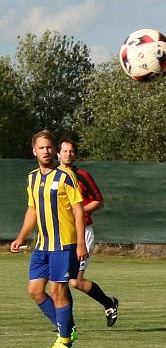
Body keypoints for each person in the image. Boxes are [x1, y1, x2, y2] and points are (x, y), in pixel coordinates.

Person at [10, 130, 87, 348]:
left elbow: (78, 210)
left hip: (64, 244)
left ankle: (65, 342)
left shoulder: (65, 176)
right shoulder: (32, 177)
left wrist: (81, 242)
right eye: (41, 148)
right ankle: (66, 328)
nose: (46, 151)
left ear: (54, 150)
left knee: (58, 291)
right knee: (35, 290)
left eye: (49, 147)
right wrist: (21, 237)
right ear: (34, 151)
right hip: (42, 245)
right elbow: (32, 209)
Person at [58, 137, 120, 326]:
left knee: (75, 282)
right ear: (58, 153)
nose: (68, 154)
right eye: (65, 150)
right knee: (59, 281)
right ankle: (67, 323)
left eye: (72, 151)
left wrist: (78, 212)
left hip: (82, 232)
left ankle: (109, 303)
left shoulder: (82, 175)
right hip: (60, 234)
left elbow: (98, 200)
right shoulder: (52, 176)